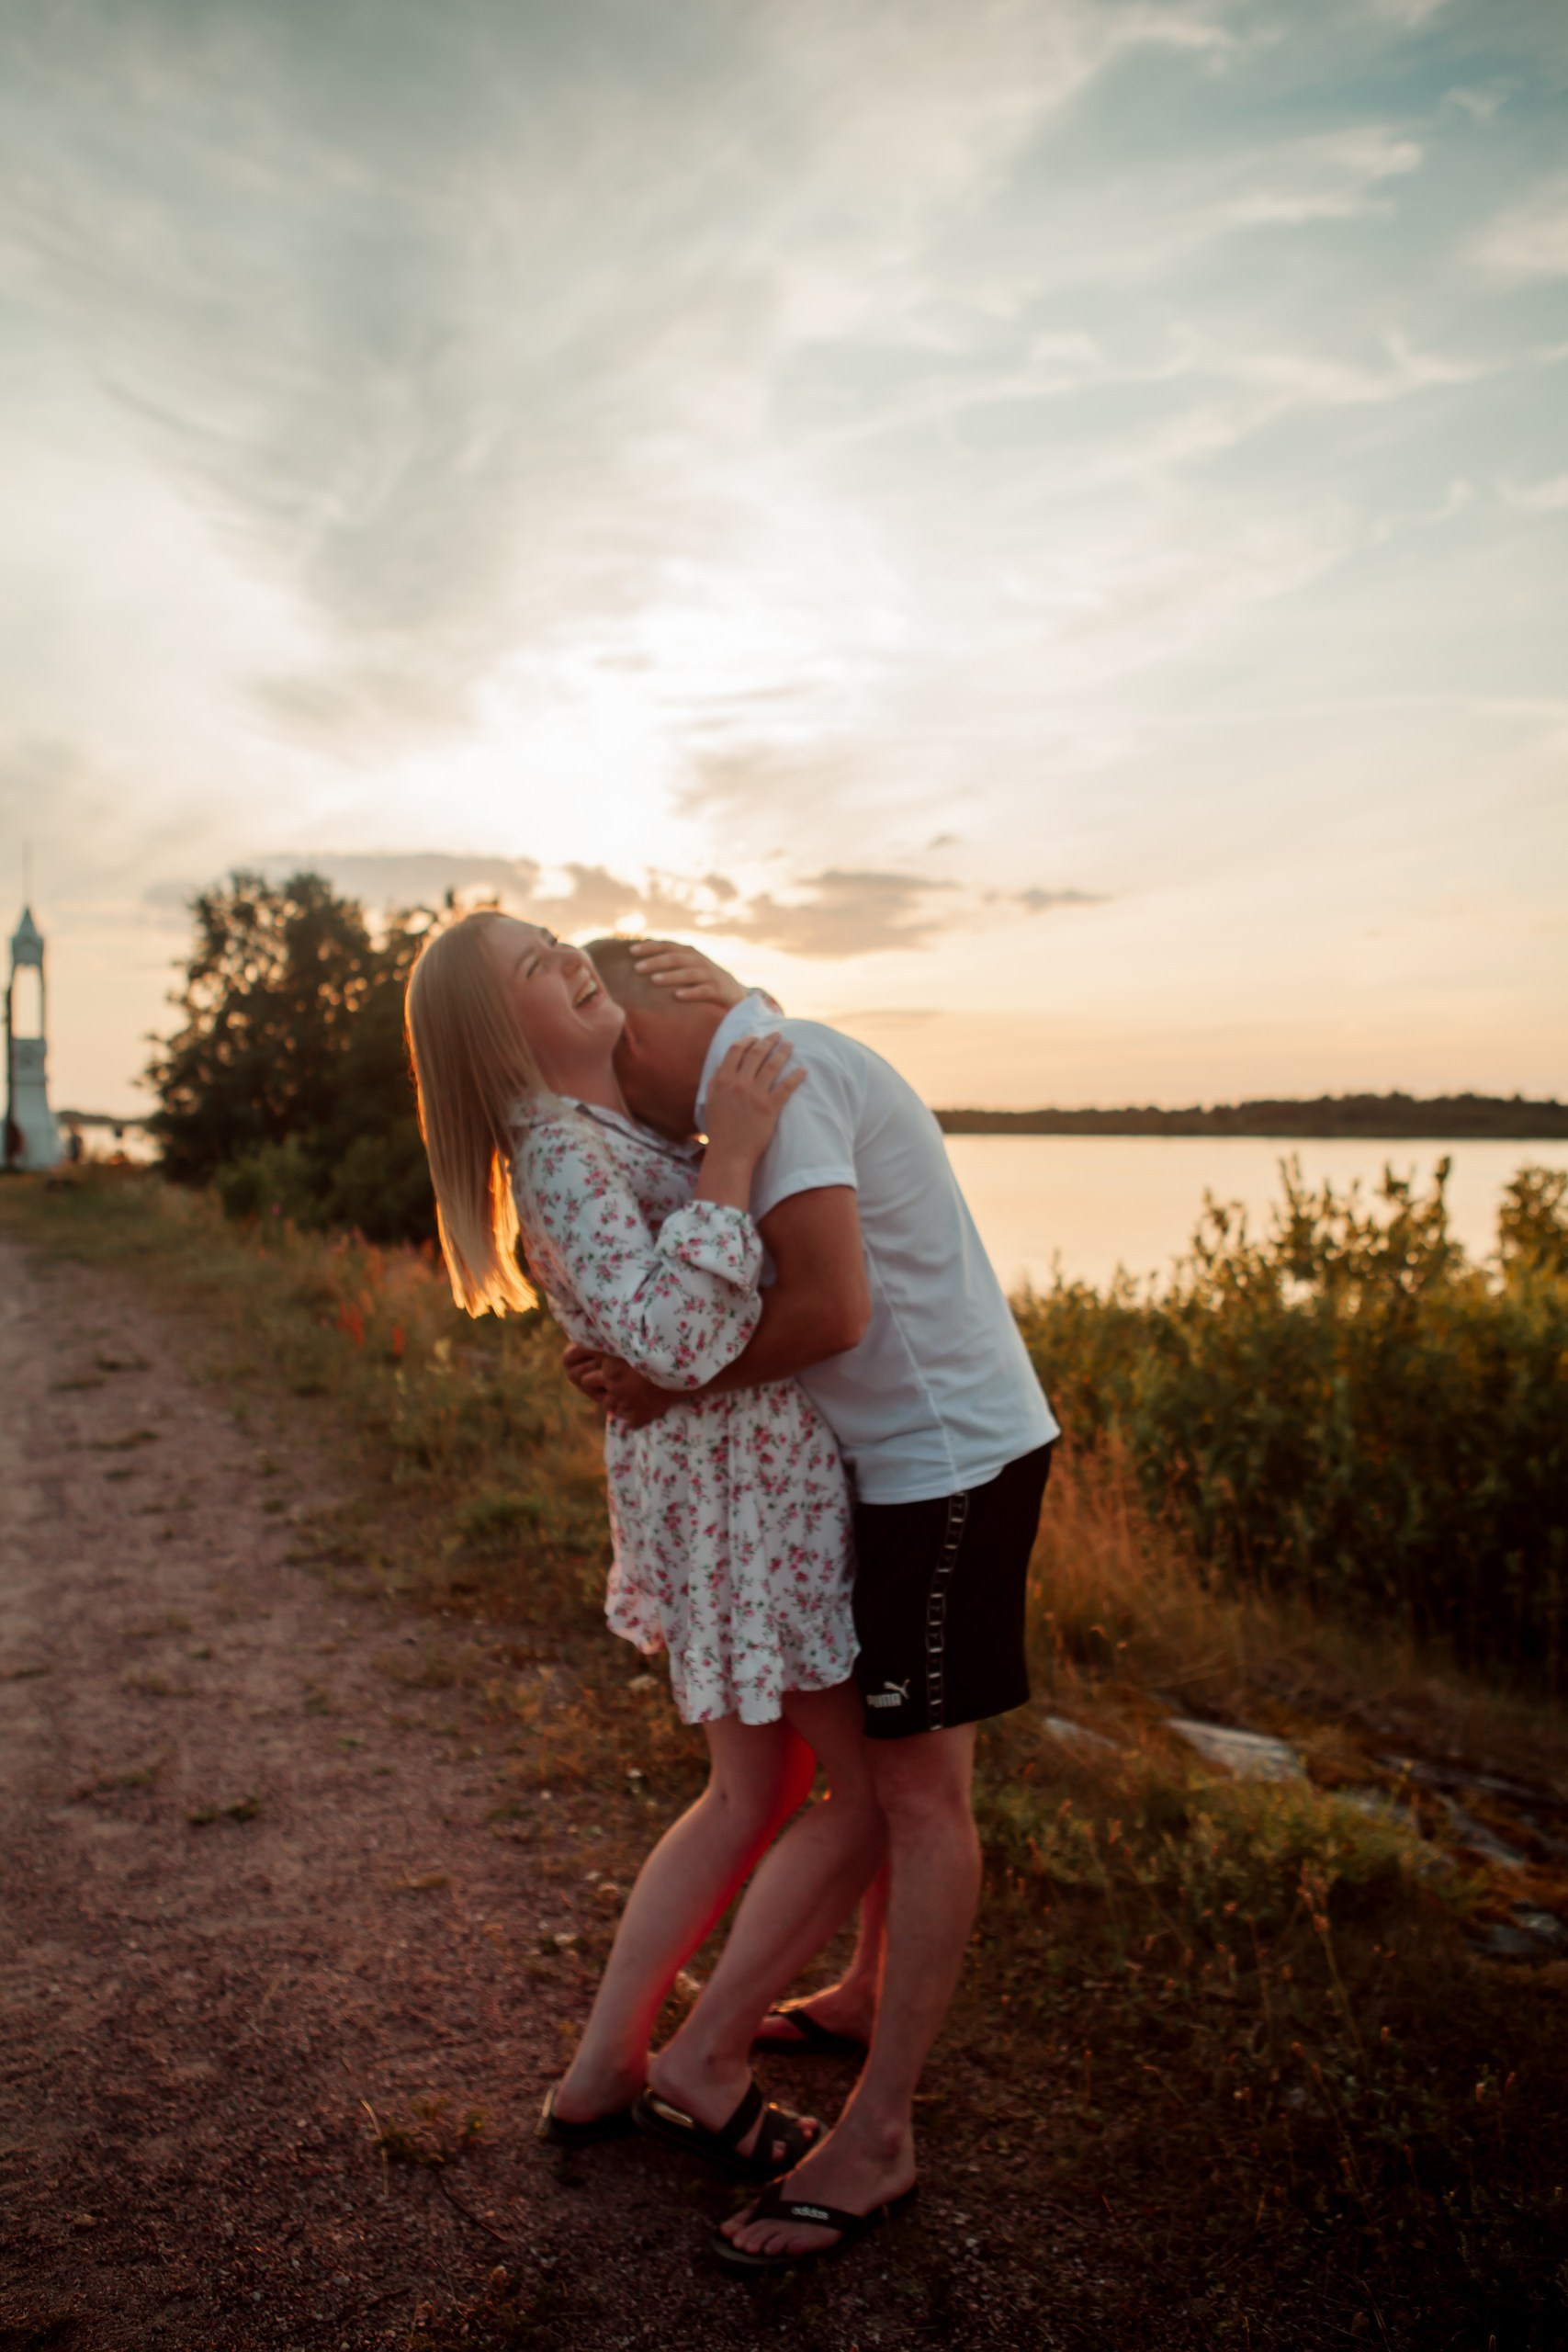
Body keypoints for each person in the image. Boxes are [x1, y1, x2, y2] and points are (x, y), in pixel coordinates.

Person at [566, 936, 1059, 2270]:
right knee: (892, 1773)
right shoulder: (772, 1071)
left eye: (617, 1056)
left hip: (945, 1467)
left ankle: (879, 2137)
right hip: (904, 1467)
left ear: (658, 1025)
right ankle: (858, 1994)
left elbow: (834, 1310)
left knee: (917, 1798)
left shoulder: (776, 1084)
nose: (627, 1092)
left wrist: (666, 1380)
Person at [402, 910, 885, 2182]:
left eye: (553, 938)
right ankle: (700, 2060)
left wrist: (724, 1108)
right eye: (534, 967)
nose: (570, 958)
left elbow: (649, 1321)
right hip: (739, 1503)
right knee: (868, 1797)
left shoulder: (612, 1131)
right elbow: (673, 1340)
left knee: (756, 1790)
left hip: (732, 1487)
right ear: (499, 1041)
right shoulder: (560, 1150)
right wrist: (736, 1158)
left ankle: (606, 2069)